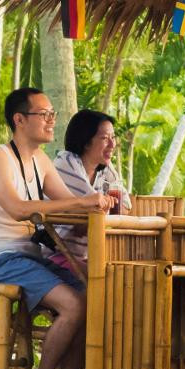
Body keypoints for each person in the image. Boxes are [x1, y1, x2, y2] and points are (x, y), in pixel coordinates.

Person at [0, 87, 114, 369]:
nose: (52, 121)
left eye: (52, 114)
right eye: (43, 114)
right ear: (19, 120)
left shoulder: (41, 161)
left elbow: (68, 203)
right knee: (74, 304)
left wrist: (96, 203)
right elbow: (18, 209)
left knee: (99, 302)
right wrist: (83, 203)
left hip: (29, 257)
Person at [53, 108, 129, 269]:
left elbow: (126, 207)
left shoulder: (105, 168)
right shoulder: (66, 161)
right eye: (104, 138)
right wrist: (94, 213)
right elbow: (93, 205)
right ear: (86, 141)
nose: (112, 144)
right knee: (108, 280)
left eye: (113, 137)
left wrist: (90, 218)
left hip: (83, 256)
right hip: (54, 255)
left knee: (121, 274)